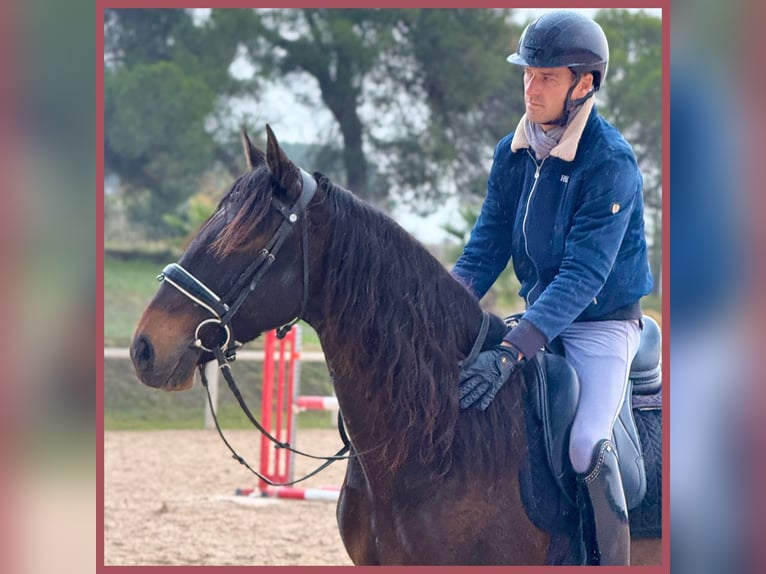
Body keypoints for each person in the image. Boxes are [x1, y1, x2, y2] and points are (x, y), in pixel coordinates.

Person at [451, 10, 654, 565]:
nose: (531, 87)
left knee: (587, 443)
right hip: (539, 318)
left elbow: (585, 275)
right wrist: (440, 309)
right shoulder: (511, 152)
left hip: (600, 326)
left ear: (583, 84)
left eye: (547, 77)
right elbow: (485, 248)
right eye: (527, 74)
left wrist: (513, 350)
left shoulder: (609, 160)